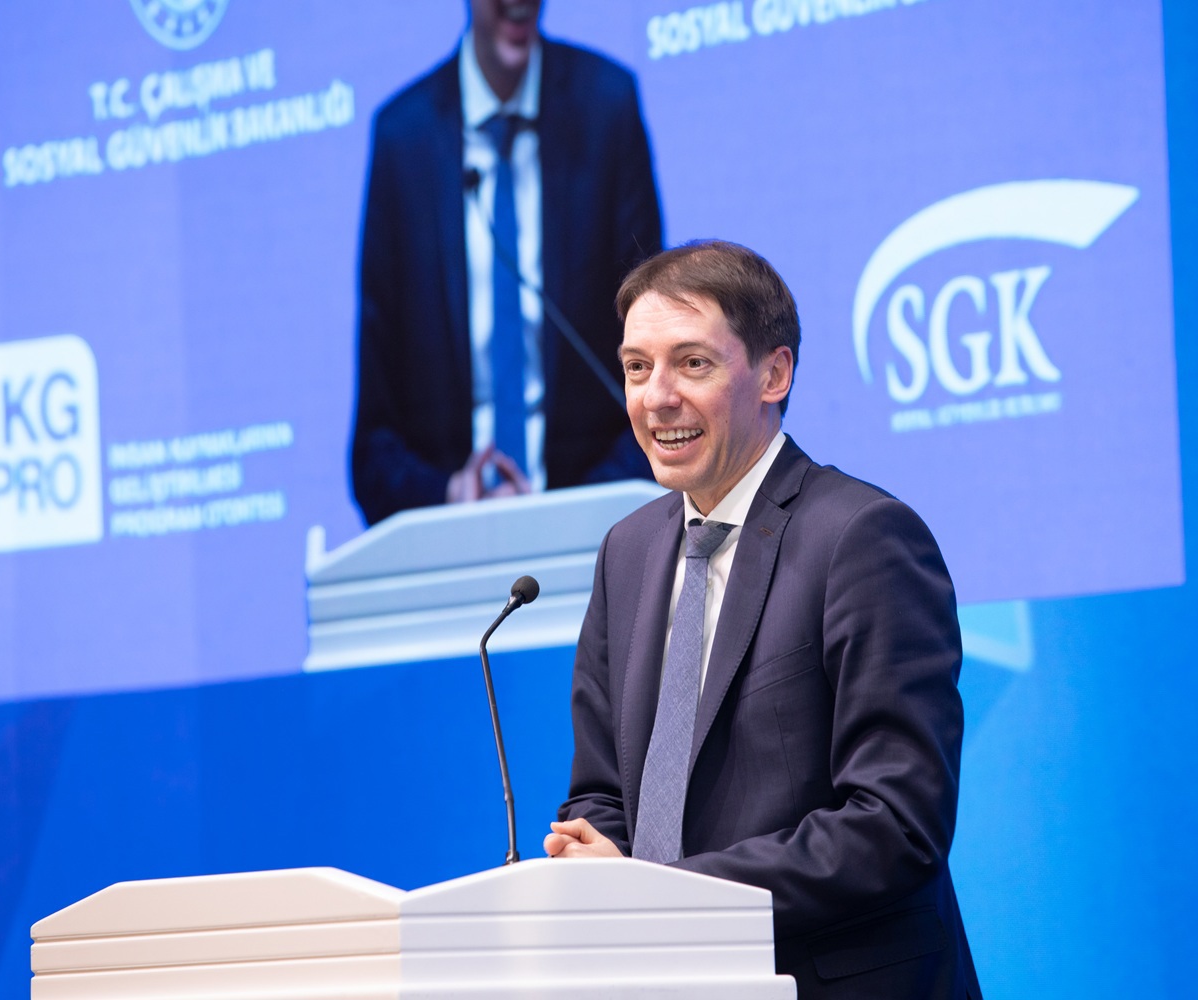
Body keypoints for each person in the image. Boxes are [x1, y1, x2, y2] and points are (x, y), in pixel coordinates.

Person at [544, 241, 981, 998]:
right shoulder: (628, 551)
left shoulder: (862, 538)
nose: (656, 398)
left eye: (692, 364)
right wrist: (590, 859)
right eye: (638, 367)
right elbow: (603, 792)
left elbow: (895, 825)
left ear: (774, 374)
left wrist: (662, 896)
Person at [350, 0, 662, 525]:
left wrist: (566, 517)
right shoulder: (404, 140)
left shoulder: (606, 107)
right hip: (454, 539)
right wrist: (451, 498)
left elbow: (656, 378)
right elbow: (374, 448)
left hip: (593, 532)